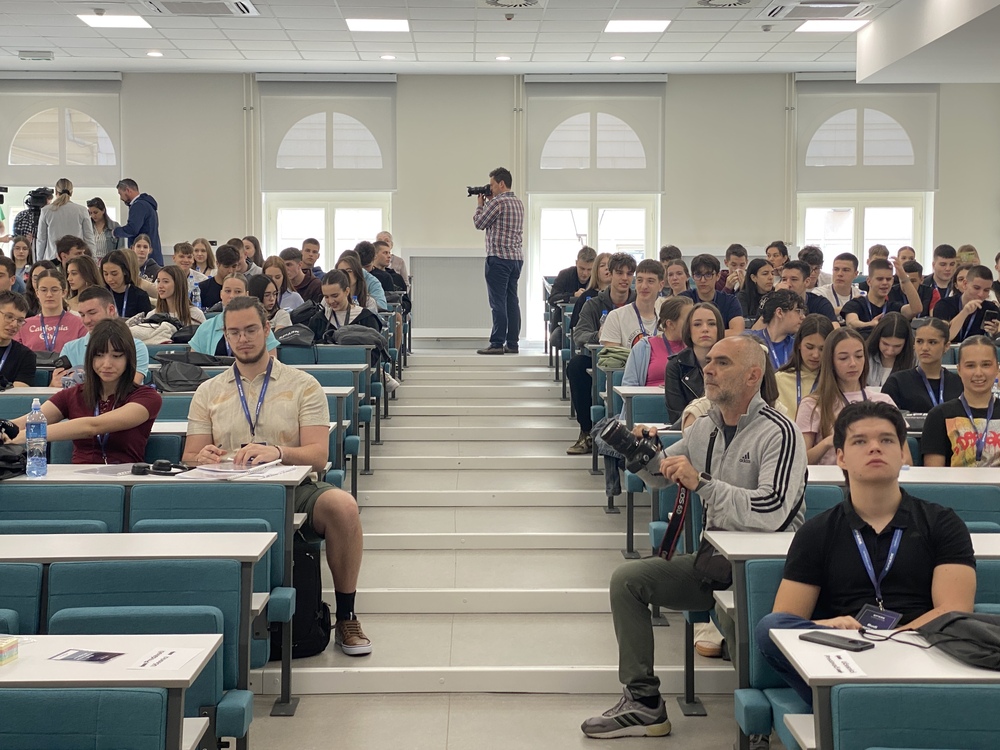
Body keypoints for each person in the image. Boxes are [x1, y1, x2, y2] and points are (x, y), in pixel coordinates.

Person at [581, 335, 807, 740]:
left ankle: (769, 713)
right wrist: (641, 452)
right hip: (715, 561)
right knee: (627, 581)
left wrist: (701, 482)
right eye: (709, 361)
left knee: (746, 636)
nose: (708, 369)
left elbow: (772, 510)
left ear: (753, 376)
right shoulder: (706, 428)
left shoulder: (780, 432)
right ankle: (644, 702)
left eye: (722, 363)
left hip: (769, 571)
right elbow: (661, 476)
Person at [182, 295, 371, 656]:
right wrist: (201, 456)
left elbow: (318, 456)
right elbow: (191, 455)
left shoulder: (303, 385)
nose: (243, 339)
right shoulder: (209, 391)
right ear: (225, 336)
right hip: (226, 490)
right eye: (234, 332)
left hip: (291, 487)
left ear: (267, 329)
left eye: (251, 330)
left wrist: (278, 452)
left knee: (343, 506)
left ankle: (347, 615)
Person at [756, 400, 976, 708]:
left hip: (923, 649)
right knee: (769, 627)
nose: (875, 448)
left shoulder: (942, 523)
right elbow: (786, 620)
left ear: (903, 454)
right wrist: (829, 626)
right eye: (860, 441)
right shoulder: (817, 531)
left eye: (886, 440)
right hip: (843, 655)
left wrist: (889, 639)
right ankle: (852, 706)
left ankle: (867, 708)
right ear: (841, 458)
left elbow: (954, 609)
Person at [5, 319, 162, 464]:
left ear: (129, 358)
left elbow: (92, 426)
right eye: (99, 355)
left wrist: (28, 435)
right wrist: (5, 428)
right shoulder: (72, 395)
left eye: (116, 356)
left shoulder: (147, 397)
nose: (107, 364)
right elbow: (25, 422)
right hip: (78, 478)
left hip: (124, 477)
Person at [565, 253, 637, 454]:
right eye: (619, 273)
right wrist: (600, 335)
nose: (624, 278)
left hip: (634, 360)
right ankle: (586, 431)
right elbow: (579, 334)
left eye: (629, 274)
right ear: (610, 274)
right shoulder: (593, 304)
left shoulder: (639, 303)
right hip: (602, 359)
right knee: (577, 366)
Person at [796, 327, 899, 465]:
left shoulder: (883, 401)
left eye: (859, 356)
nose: (853, 364)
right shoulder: (812, 404)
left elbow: (905, 458)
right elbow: (799, 461)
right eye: (843, 358)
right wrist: (828, 442)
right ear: (830, 361)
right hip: (831, 476)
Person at [921, 335, 1000, 467]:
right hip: (954, 481)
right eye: (970, 366)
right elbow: (933, 473)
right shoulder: (939, 415)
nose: (978, 373)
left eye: (986, 365)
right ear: (959, 370)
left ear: (997, 368)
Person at [51, 286, 150, 387]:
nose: (86, 320)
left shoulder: (136, 347)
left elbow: (131, 386)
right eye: (82, 315)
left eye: (92, 313)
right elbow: (57, 389)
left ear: (111, 310)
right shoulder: (69, 349)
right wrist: (55, 384)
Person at [473, 166, 524, 355]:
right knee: (512, 301)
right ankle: (512, 343)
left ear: (501, 184)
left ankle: (496, 343)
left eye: (492, 185)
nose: (490, 188)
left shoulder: (498, 203)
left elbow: (479, 223)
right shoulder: (518, 202)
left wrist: (480, 205)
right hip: (516, 259)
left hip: (499, 259)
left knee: (498, 302)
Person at [882, 317, 963, 414]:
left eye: (932, 342)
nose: (924, 348)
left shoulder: (959, 383)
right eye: (919, 341)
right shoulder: (897, 382)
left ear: (946, 346)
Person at [189, 274, 280, 357]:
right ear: (221, 294)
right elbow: (194, 364)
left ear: (247, 295)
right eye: (228, 291)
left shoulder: (260, 327)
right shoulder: (205, 328)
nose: (232, 296)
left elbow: (272, 363)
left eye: (238, 291)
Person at [664, 302, 725, 423]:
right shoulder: (676, 366)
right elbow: (677, 416)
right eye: (697, 324)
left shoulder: (732, 363)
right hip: (689, 429)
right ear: (688, 330)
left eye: (712, 324)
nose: (705, 329)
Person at [620, 297, 692, 393]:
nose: (693, 324)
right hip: (651, 400)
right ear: (670, 324)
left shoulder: (695, 348)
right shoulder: (644, 347)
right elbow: (629, 387)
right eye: (688, 320)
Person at [774, 314, 834, 417]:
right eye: (809, 347)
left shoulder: (836, 381)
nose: (815, 355)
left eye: (822, 349)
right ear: (798, 344)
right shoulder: (779, 380)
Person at [841, 258, 922, 335]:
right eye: (880, 279)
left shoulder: (894, 307)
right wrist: (870, 324)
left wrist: (904, 278)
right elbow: (852, 323)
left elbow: (916, 309)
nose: (885, 283)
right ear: (869, 281)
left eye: (888, 279)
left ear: (892, 281)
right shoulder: (856, 303)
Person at [14, 268, 86, 353]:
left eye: (54, 290)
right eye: (44, 290)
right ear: (37, 293)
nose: (49, 295)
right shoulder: (23, 325)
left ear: (64, 292)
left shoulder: (79, 324)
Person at [599, 259, 664, 348]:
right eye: (640, 280)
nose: (644, 286)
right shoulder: (616, 317)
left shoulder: (666, 321)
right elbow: (611, 356)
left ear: (661, 285)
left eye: (650, 281)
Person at [307, 269, 383, 340]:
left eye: (335, 296)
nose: (330, 301)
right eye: (326, 297)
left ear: (347, 291)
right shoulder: (318, 320)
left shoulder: (367, 319)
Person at [680, 254, 745, 336]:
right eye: (698, 275)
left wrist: (706, 335)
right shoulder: (683, 300)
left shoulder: (730, 301)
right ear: (692, 277)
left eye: (708, 275)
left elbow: (738, 331)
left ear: (718, 276)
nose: (703, 280)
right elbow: (678, 331)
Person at [933, 265, 1000, 342]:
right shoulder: (944, 305)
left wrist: (995, 333)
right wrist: (964, 312)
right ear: (965, 284)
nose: (981, 294)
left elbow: (994, 340)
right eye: (976, 288)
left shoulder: (991, 308)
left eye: (986, 290)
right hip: (949, 348)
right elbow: (946, 337)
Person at [36, 179, 95, 262]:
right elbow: (89, 238)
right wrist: (93, 260)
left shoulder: (46, 211)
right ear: (71, 192)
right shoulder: (82, 210)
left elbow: (41, 240)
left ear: (56, 191)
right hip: (76, 259)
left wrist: (39, 262)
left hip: (53, 259)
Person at [746, 289, 805, 370]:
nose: (803, 317)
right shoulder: (748, 340)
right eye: (798, 311)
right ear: (779, 312)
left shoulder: (798, 346)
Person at [113, 178, 162, 265]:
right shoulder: (147, 204)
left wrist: (115, 232)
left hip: (143, 259)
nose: (121, 198)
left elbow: (132, 229)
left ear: (128, 190)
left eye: (120, 194)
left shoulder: (138, 206)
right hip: (153, 256)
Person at [865, 312, 914, 388]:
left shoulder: (915, 360)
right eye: (885, 344)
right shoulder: (864, 355)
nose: (890, 351)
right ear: (877, 338)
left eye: (897, 346)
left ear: (906, 344)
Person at [101, 250, 152, 319]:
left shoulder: (140, 296)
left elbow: (147, 323)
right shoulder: (100, 295)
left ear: (124, 271)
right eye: (106, 274)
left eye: (114, 274)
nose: (109, 279)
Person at [0, 291, 37, 388]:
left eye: (20, 320)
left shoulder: (26, 356)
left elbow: (18, 394)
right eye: (9, 317)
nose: (14, 324)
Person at [812, 252, 862, 318]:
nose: (839, 274)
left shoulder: (861, 296)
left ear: (855, 274)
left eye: (845, 270)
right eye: (836, 269)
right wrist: (848, 308)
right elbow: (815, 316)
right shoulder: (819, 294)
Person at [918, 243, 958, 315]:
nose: (948, 268)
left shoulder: (960, 287)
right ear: (934, 265)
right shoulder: (923, 285)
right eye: (943, 264)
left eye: (952, 264)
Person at [197, 244, 241, 310]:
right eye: (226, 266)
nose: (231, 271)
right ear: (217, 264)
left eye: (234, 266)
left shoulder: (243, 286)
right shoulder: (203, 288)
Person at [348, 244, 388, 311]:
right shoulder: (335, 281)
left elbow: (382, 306)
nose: (346, 274)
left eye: (349, 270)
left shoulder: (373, 282)